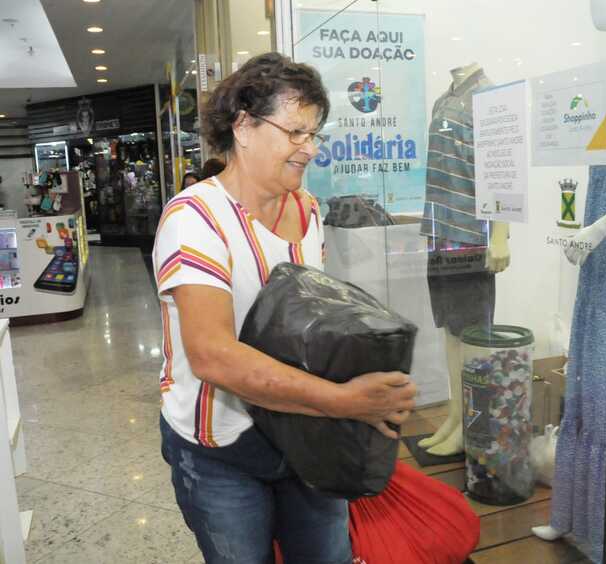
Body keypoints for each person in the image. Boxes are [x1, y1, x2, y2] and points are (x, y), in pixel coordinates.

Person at [154, 52, 416, 564]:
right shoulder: (195, 220)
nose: (310, 149)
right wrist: (342, 402)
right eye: (296, 132)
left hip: (300, 434)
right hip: (220, 448)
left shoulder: (308, 210)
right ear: (245, 126)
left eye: (314, 133)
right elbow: (211, 356)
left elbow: (304, 322)